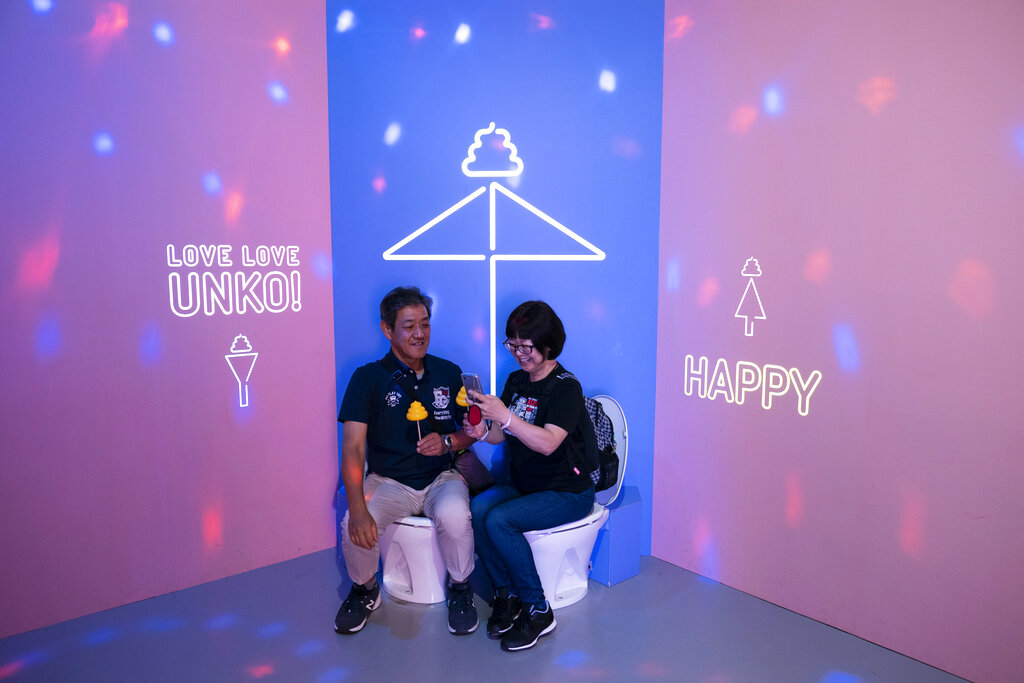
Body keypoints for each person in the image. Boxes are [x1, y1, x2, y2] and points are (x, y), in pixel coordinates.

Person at [335, 286, 479, 636]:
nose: (420, 334)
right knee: (352, 527)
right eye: (410, 325)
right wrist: (357, 507)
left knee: (455, 516)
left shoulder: (448, 372)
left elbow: (471, 432)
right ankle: (365, 590)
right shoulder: (366, 378)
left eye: (425, 324)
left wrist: (447, 441)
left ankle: (461, 589)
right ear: (387, 329)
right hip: (388, 481)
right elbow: (353, 448)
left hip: (441, 477)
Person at [463, 300, 596, 652]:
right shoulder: (516, 381)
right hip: (525, 486)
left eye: (527, 346)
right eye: (513, 344)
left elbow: (550, 443)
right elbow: (500, 434)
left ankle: (538, 609)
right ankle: (507, 595)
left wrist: (505, 416)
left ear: (548, 343)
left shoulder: (566, 386)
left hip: (568, 492)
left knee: (501, 520)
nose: (519, 353)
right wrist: (480, 430)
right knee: (478, 509)